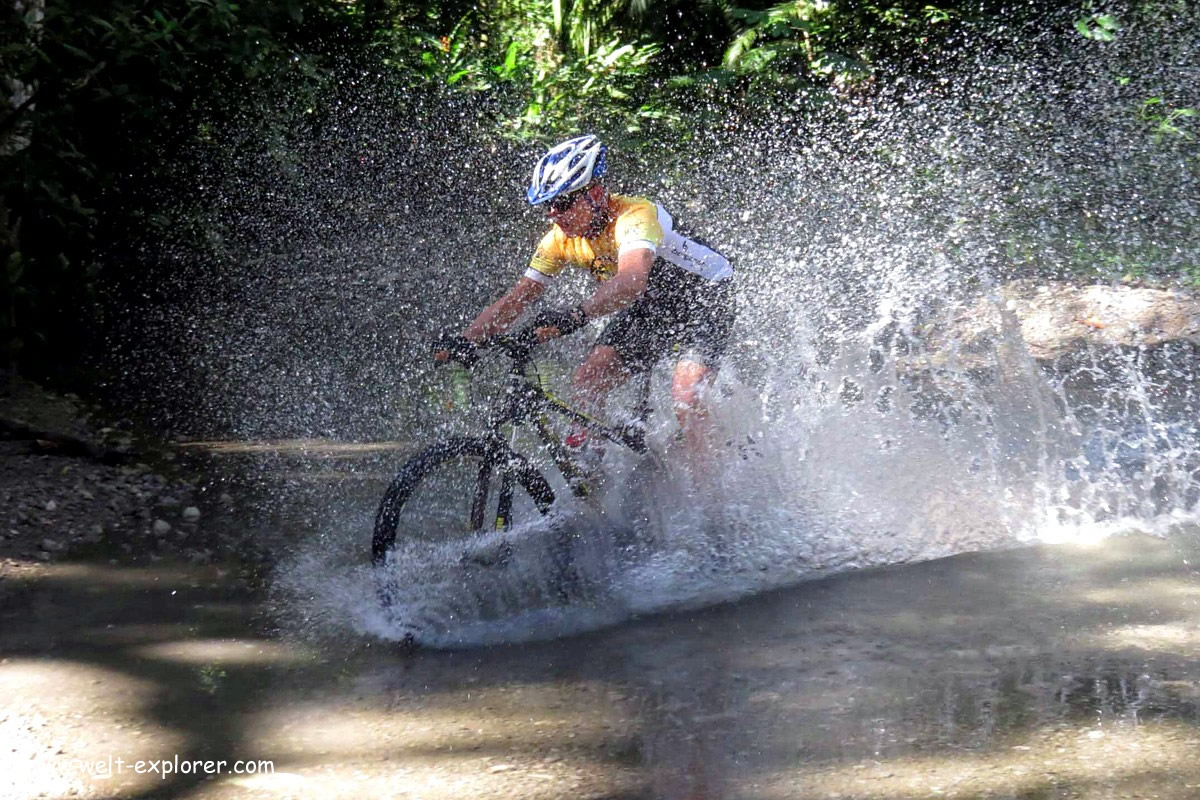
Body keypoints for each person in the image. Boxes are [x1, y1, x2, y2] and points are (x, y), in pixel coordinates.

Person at [444, 134, 735, 474]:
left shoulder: (635, 216)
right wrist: (467, 340)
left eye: (563, 203)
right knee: (588, 379)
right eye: (547, 206)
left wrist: (576, 315)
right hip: (648, 306)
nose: (554, 214)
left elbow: (630, 281)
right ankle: (594, 482)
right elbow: (519, 296)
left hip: (703, 298)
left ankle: (714, 507)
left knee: (686, 398)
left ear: (595, 194)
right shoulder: (559, 240)